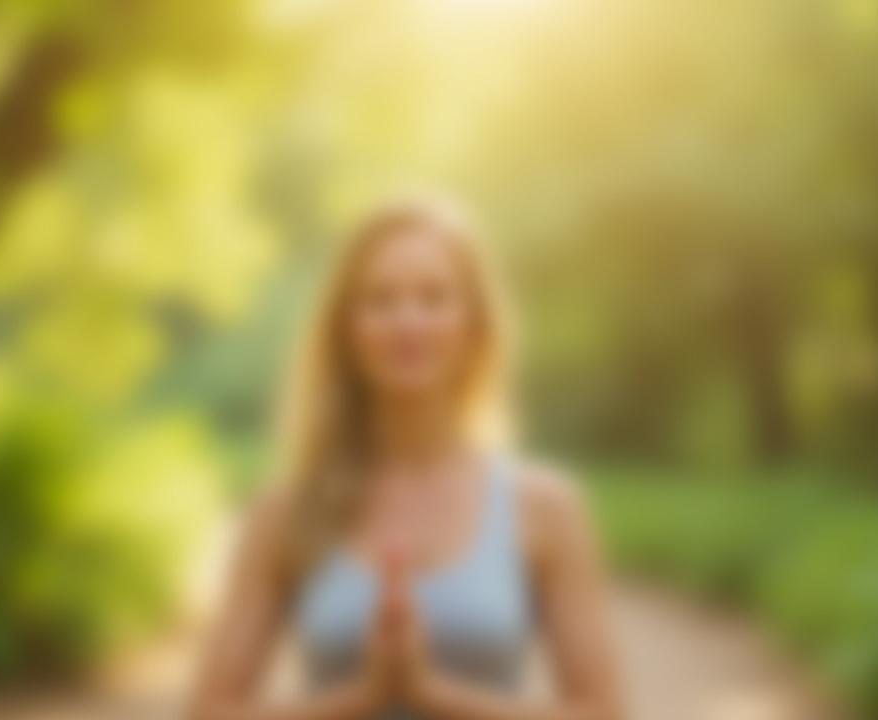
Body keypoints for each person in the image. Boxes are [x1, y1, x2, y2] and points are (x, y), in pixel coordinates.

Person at [191, 195, 625, 719]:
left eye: (434, 297)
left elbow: (605, 713)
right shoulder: (284, 512)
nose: (408, 321)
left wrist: (435, 694)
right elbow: (207, 713)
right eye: (380, 300)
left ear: (474, 325)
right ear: (346, 330)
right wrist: (360, 698)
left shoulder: (546, 507)